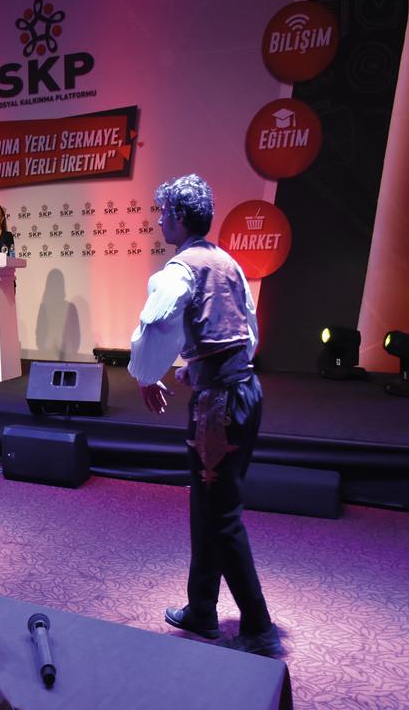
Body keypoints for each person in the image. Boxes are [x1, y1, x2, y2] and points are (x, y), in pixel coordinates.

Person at [128, 174, 280, 656]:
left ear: (178, 216)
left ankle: (258, 626)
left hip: (220, 406)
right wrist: (199, 369)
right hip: (244, 393)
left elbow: (156, 321)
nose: (160, 221)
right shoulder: (228, 263)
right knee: (208, 505)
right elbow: (245, 332)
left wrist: (146, 375)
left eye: (163, 213)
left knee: (221, 514)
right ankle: (202, 609)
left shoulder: (180, 269)